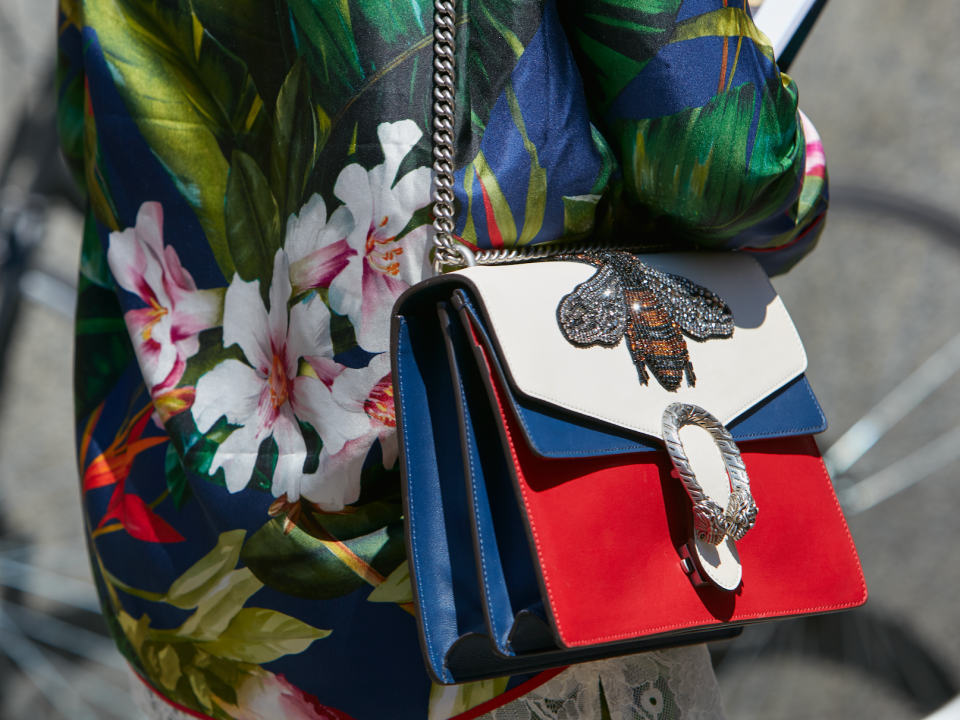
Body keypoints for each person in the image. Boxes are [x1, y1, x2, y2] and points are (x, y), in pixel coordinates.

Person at [57, 0, 827, 717]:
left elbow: (89, 116)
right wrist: (804, 181)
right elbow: (720, 162)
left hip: (196, 588)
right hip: (515, 563)